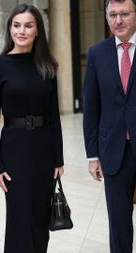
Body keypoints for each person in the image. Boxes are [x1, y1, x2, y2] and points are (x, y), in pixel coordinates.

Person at [0, 4, 64, 253]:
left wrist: (58, 159)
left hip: (43, 151)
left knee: (41, 220)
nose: (22, 31)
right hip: (14, 152)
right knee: (19, 220)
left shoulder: (48, 65)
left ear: (37, 30)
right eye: (16, 25)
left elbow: (54, 116)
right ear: (10, 29)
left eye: (28, 25)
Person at [83, 0, 136, 251]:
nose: (118, 21)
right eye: (113, 14)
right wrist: (92, 155)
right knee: (118, 223)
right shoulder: (96, 53)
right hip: (113, 151)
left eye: (124, 14)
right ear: (106, 17)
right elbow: (91, 108)